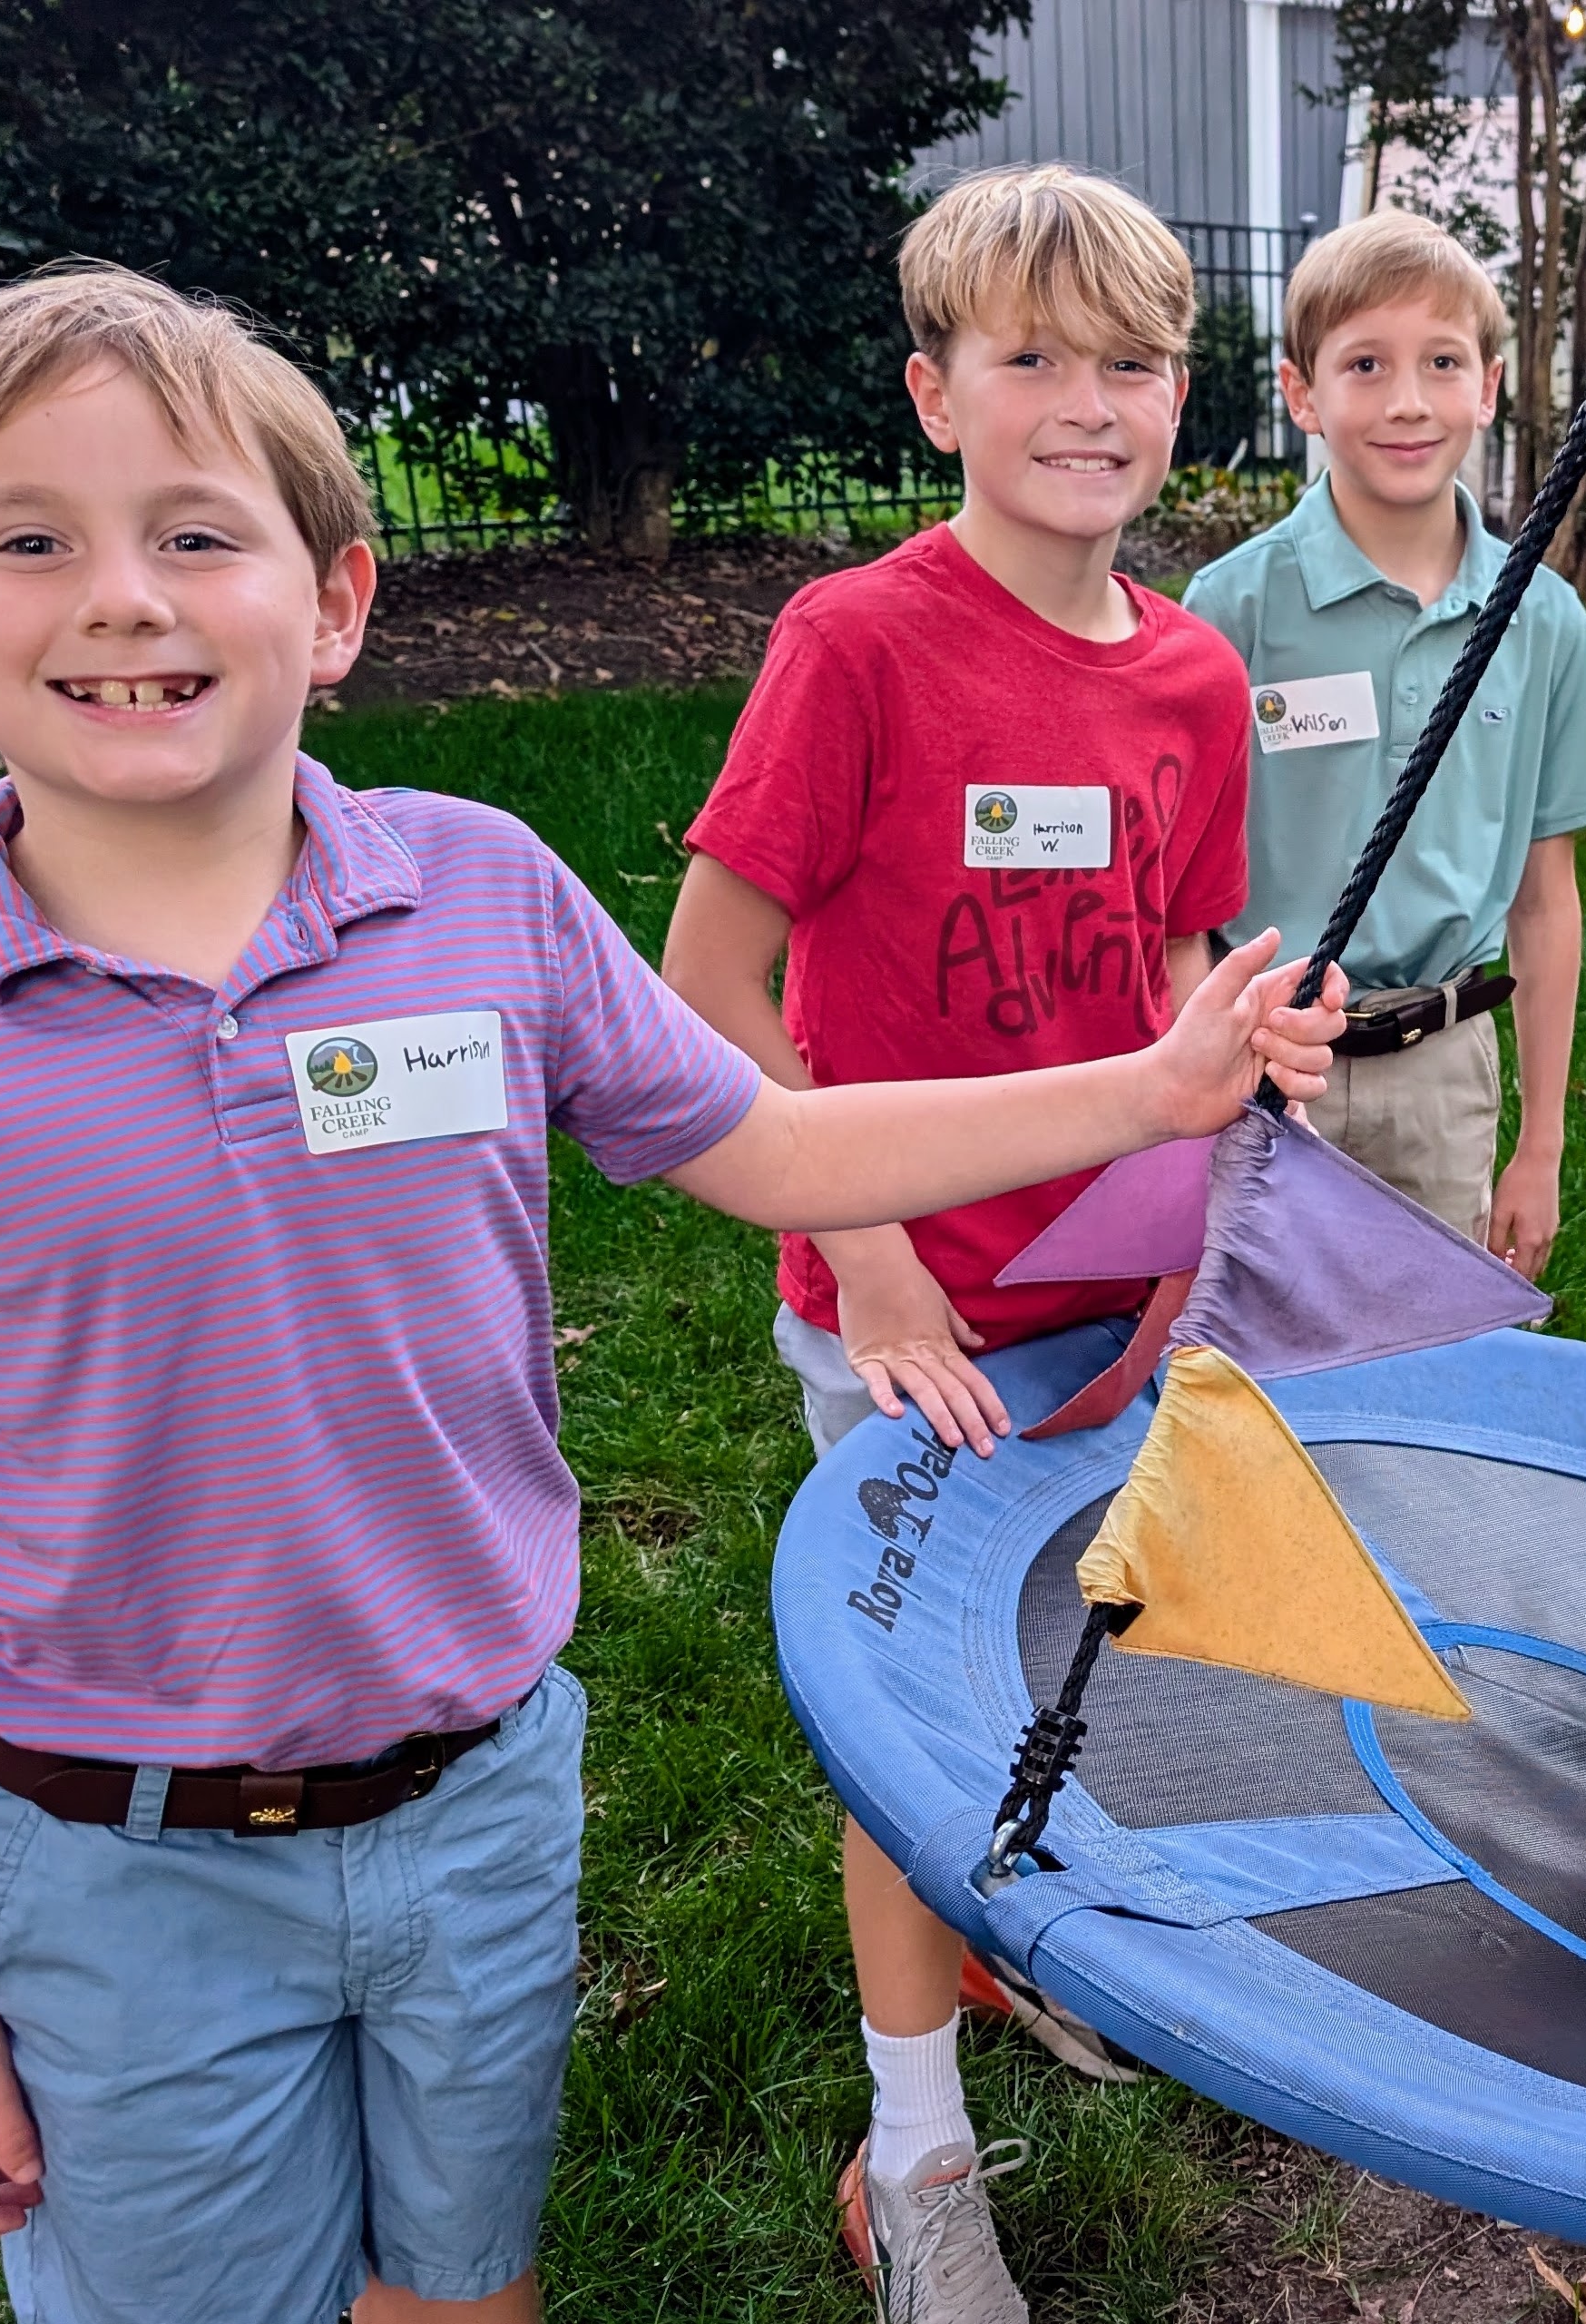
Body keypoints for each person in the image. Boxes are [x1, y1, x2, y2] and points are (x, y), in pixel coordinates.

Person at [0, 262, 1343, 2324]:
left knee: (466, 2282)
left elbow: (770, 1142)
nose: (122, 599)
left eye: (196, 535)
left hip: (477, 1804)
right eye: (30, 541)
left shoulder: (482, 890)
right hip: (113, 1855)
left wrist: (1148, 1090)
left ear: (335, 600)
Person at [659, 166, 1261, 2320]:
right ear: (934, 395)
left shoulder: (1196, 675)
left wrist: (1203, 1196)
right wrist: (876, 1251)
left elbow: (1183, 967)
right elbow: (706, 982)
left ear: (1179, 397)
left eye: (1131, 364)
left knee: (1085, 1647)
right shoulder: (855, 642)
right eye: (1030, 359)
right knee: (911, 1718)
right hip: (906, 1306)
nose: (1086, 403)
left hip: (1117, 1293)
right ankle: (911, 2142)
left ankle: (1014, 1943)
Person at [1185, 207, 1586, 1277]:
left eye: (1441, 362)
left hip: (1442, 1072)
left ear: (1487, 387)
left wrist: (1541, 1144)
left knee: (1423, 1339)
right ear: (1301, 393)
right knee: (1245, 1336)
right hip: (1263, 1057)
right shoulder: (1231, 610)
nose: (1405, 401)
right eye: (1364, 365)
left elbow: (1545, 902)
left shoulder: (1538, 621)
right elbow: (1176, 889)